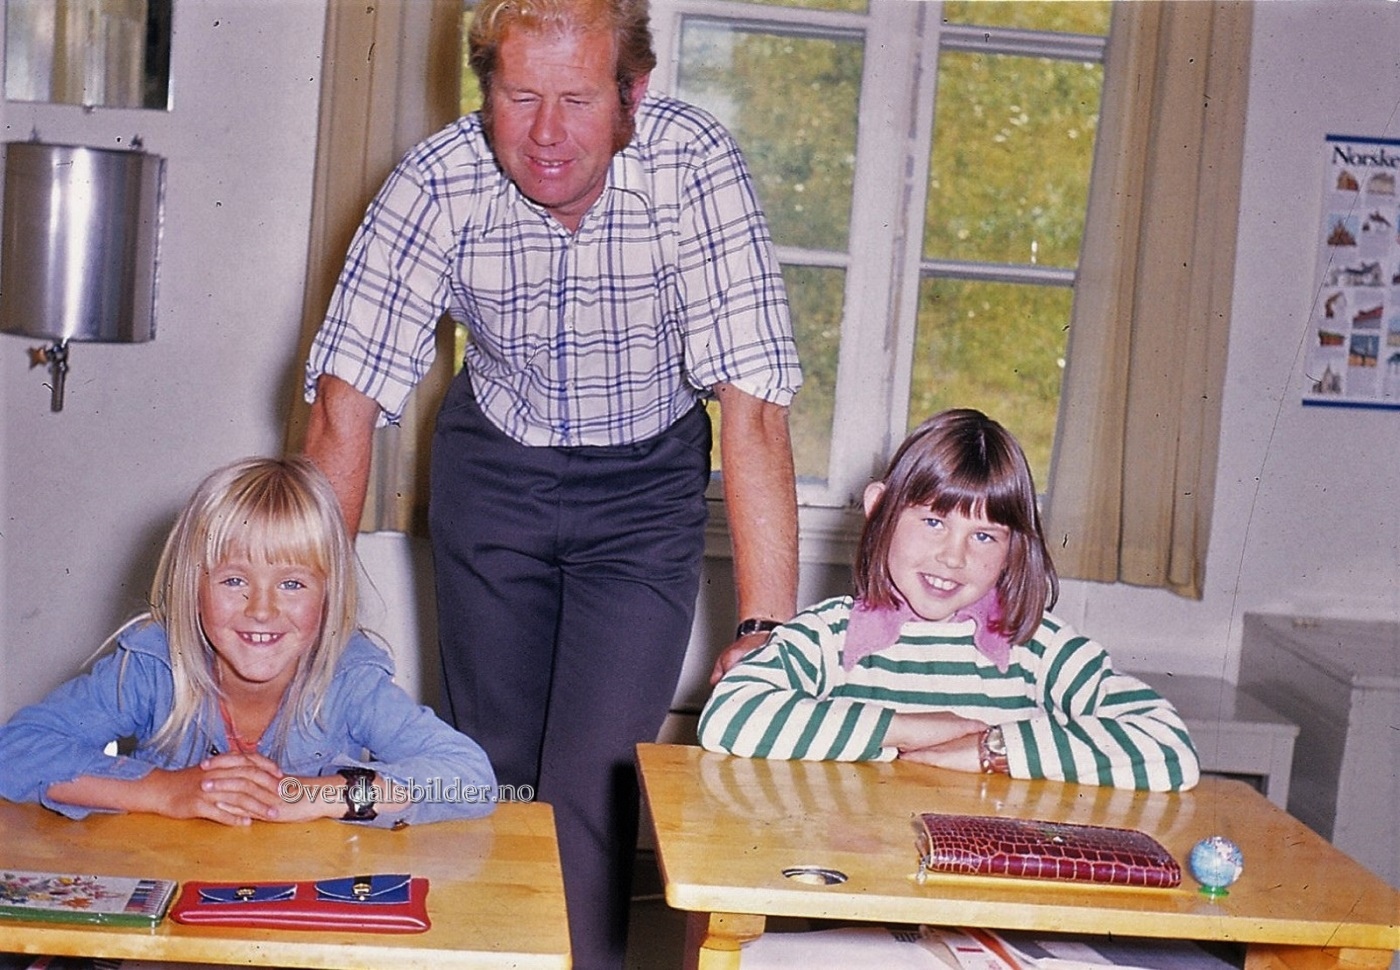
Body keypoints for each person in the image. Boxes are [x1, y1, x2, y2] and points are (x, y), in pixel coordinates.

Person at [300, 0, 801, 965]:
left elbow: (755, 408)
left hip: (644, 489)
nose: (545, 134)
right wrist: (306, 622)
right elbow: (342, 408)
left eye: (577, 100)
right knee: (486, 773)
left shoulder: (693, 165)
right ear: (486, 90)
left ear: (632, 96)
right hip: (495, 471)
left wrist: (767, 630)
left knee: (592, 785)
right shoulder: (436, 182)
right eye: (520, 96)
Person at [701, 409, 1200, 792]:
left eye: (984, 536)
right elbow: (730, 716)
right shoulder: (829, 635)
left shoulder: (1038, 647)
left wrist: (993, 749)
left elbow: (1169, 745)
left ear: (1013, 548)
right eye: (933, 522)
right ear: (879, 509)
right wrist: (910, 730)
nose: (953, 557)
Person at [0, 456, 497, 828]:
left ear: (330, 596)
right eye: (234, 580)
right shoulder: (153, 666)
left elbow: (469, 778)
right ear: (192, 588)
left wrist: (315, 796)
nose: (262, 609)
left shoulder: (350, 682)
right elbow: (15, 751)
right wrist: (164, 791)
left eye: (292, 584)